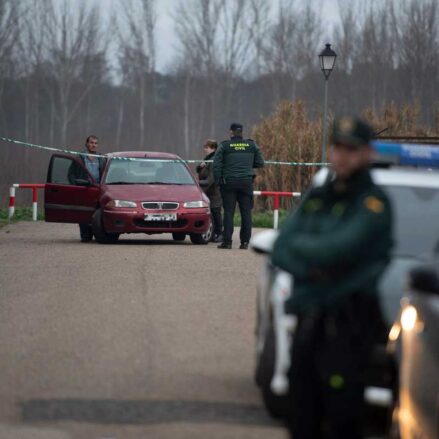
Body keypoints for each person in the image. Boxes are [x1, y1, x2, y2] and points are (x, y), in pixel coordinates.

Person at [271, 116, 393, 439]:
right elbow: (282, 246)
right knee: (301, 416)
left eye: (351, 149)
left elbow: (340, 248)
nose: (342, 156)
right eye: (338, 147)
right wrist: (319, 262)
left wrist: (308, 256)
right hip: (311, 321)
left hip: (349, 325)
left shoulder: (374, 204)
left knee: (342, 419)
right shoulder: (319, 196)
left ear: (367, 153)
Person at [213, 123, 264, 249]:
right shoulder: (252, 145)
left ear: (231, 132)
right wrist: (246, 166)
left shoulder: (224, 145)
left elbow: (216, 165)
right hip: (246, 183)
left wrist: (218, 180)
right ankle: (245, 242)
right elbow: (260, 163)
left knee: (229, 212)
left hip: (229, 183)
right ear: (241, 132)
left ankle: (227, 242)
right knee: (246, 213)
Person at [68, 135, 105, 242]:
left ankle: (99, 234)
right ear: (86, 144)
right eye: (91, 142)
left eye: (95, 143)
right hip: (84, 188)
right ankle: (85, 236)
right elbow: (70, 174)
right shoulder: (79, 158)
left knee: (98, 213)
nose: (94, 145)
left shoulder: (101, 158)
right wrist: (76, 185)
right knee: (84, 212)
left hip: (98, 189)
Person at [196, 139, 223, 242]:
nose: (204, 149)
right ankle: (213, 234)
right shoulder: (207, 158)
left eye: (206, 148)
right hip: (206, 190)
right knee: (210, 213)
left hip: (214, 191)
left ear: (213, 148)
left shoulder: (215, 160)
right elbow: (198, 169)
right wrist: (200, 166)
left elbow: (212, 179)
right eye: (204, 147)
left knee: (216, 212)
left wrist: (200, 187)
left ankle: (220, 233)